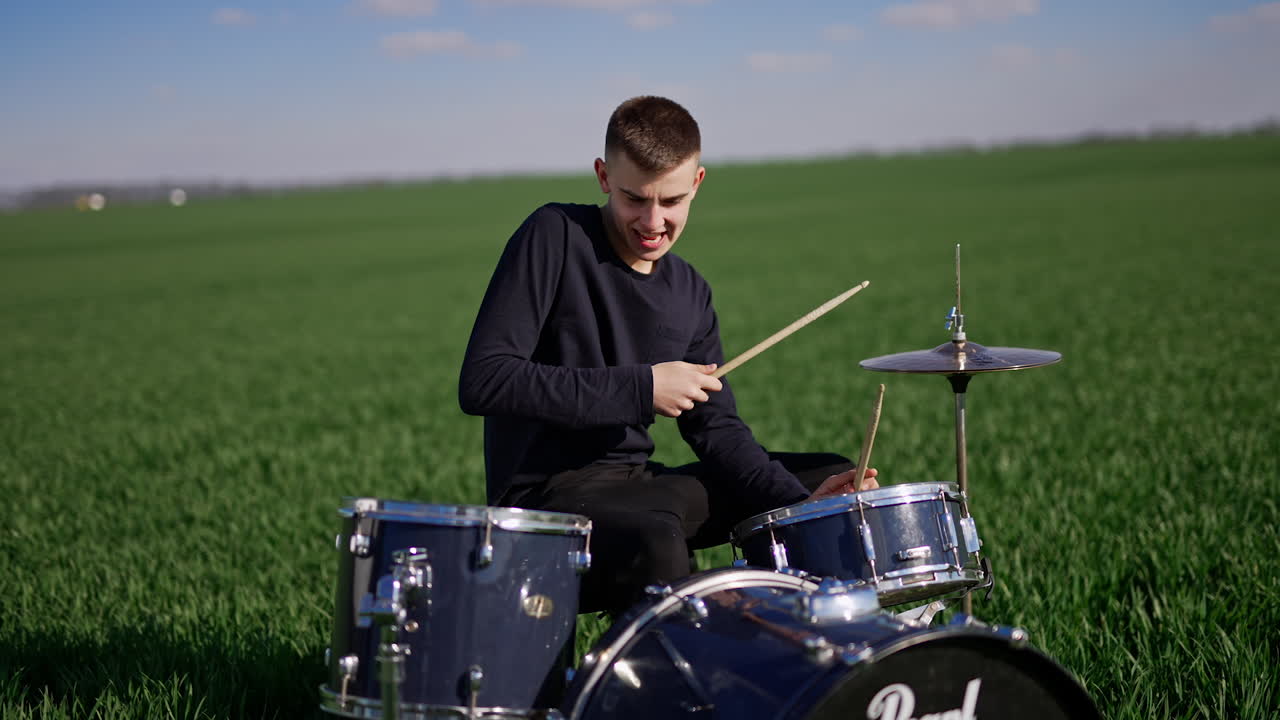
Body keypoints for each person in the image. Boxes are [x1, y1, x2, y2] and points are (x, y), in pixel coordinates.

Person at [459, 96, 877, 615]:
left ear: (697, 183)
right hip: (547, 502)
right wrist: (643, 388)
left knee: (825, 486)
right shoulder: (555, 236)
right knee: (657, 539)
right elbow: (485, 380)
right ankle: (680, 681)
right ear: (603, 175)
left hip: (640, 487)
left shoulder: (689, 291)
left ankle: (793, 646)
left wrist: (795, 506)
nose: (653, 221)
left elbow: (716, 430)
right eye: (636, 199)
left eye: (672, 201)